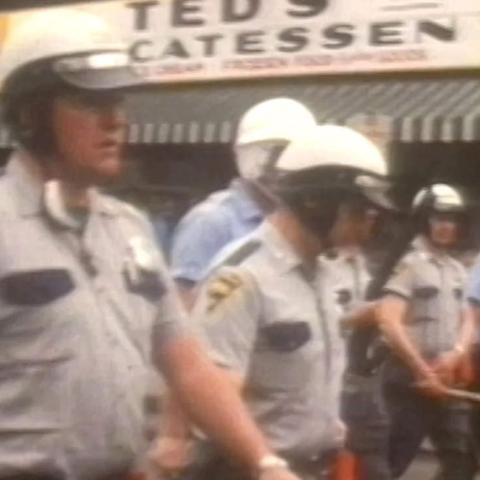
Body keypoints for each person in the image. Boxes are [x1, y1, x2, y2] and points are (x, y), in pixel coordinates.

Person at [0, 9, 304, 480]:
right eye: (89, 102)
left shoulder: (130, 231)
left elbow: (188, 365)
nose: (115, 120)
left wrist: (264, 462)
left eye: (118, 102)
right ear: (29, 115)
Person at [153, 124, 396, 480]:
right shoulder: (242, 277)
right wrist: (264, 463)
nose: (368, 224)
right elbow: (214, 389)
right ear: (318, 202)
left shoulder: (325, 275)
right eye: (360, 211)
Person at [170, 97, 316, 308]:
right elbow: (183, 307)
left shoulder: (296, 220)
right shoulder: (211, 220)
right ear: (244, 154)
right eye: (270, 152)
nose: (277, 165)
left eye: (287, 153)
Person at [377, 183, 477, 479]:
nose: (447, 226)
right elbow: (389, 321)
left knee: (462, 458)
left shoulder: (458, 269)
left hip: (446, 378)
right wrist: (421, 370)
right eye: (438, 218)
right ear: (424, 220)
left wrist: (456, 354)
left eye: (452, 219)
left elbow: (468, 319)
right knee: (392, 461)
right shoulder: (407, 265)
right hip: (409, 378)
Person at [322, 205, 391, 480]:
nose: (369, 223)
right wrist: (354, 319)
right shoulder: (323, 263)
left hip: (363, 379)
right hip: (329, 378)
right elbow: (313, 320)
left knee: (373, 460)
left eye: (372, 218)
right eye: (364, 216)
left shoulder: (365, 264)